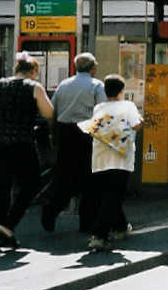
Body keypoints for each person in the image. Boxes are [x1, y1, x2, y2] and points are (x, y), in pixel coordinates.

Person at [0, 52, 54, 250]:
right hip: (22, 145)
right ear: (33, 71)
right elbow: (49, 113)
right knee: (32, 184)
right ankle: (8, 224)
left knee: (0, 190)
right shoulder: (34, 87)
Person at [41, 53, 106, 233]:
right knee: (90, 179)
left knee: (64, 176)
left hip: (66, 133)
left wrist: (54, 135)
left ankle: (51, 209)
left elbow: (52, 110)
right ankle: (87, 221)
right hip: (87, 133)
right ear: (93, 67)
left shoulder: (64, 84)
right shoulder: (97, 85)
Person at [84, 74, 143, 252]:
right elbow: (136, 125)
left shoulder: (99, 108)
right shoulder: (128, 106)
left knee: (109, 194)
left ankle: (121, 227)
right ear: (121, 91)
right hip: (120, 157)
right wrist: (140, 121)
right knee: (114, 196)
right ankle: (99, 236)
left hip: (100, 158)